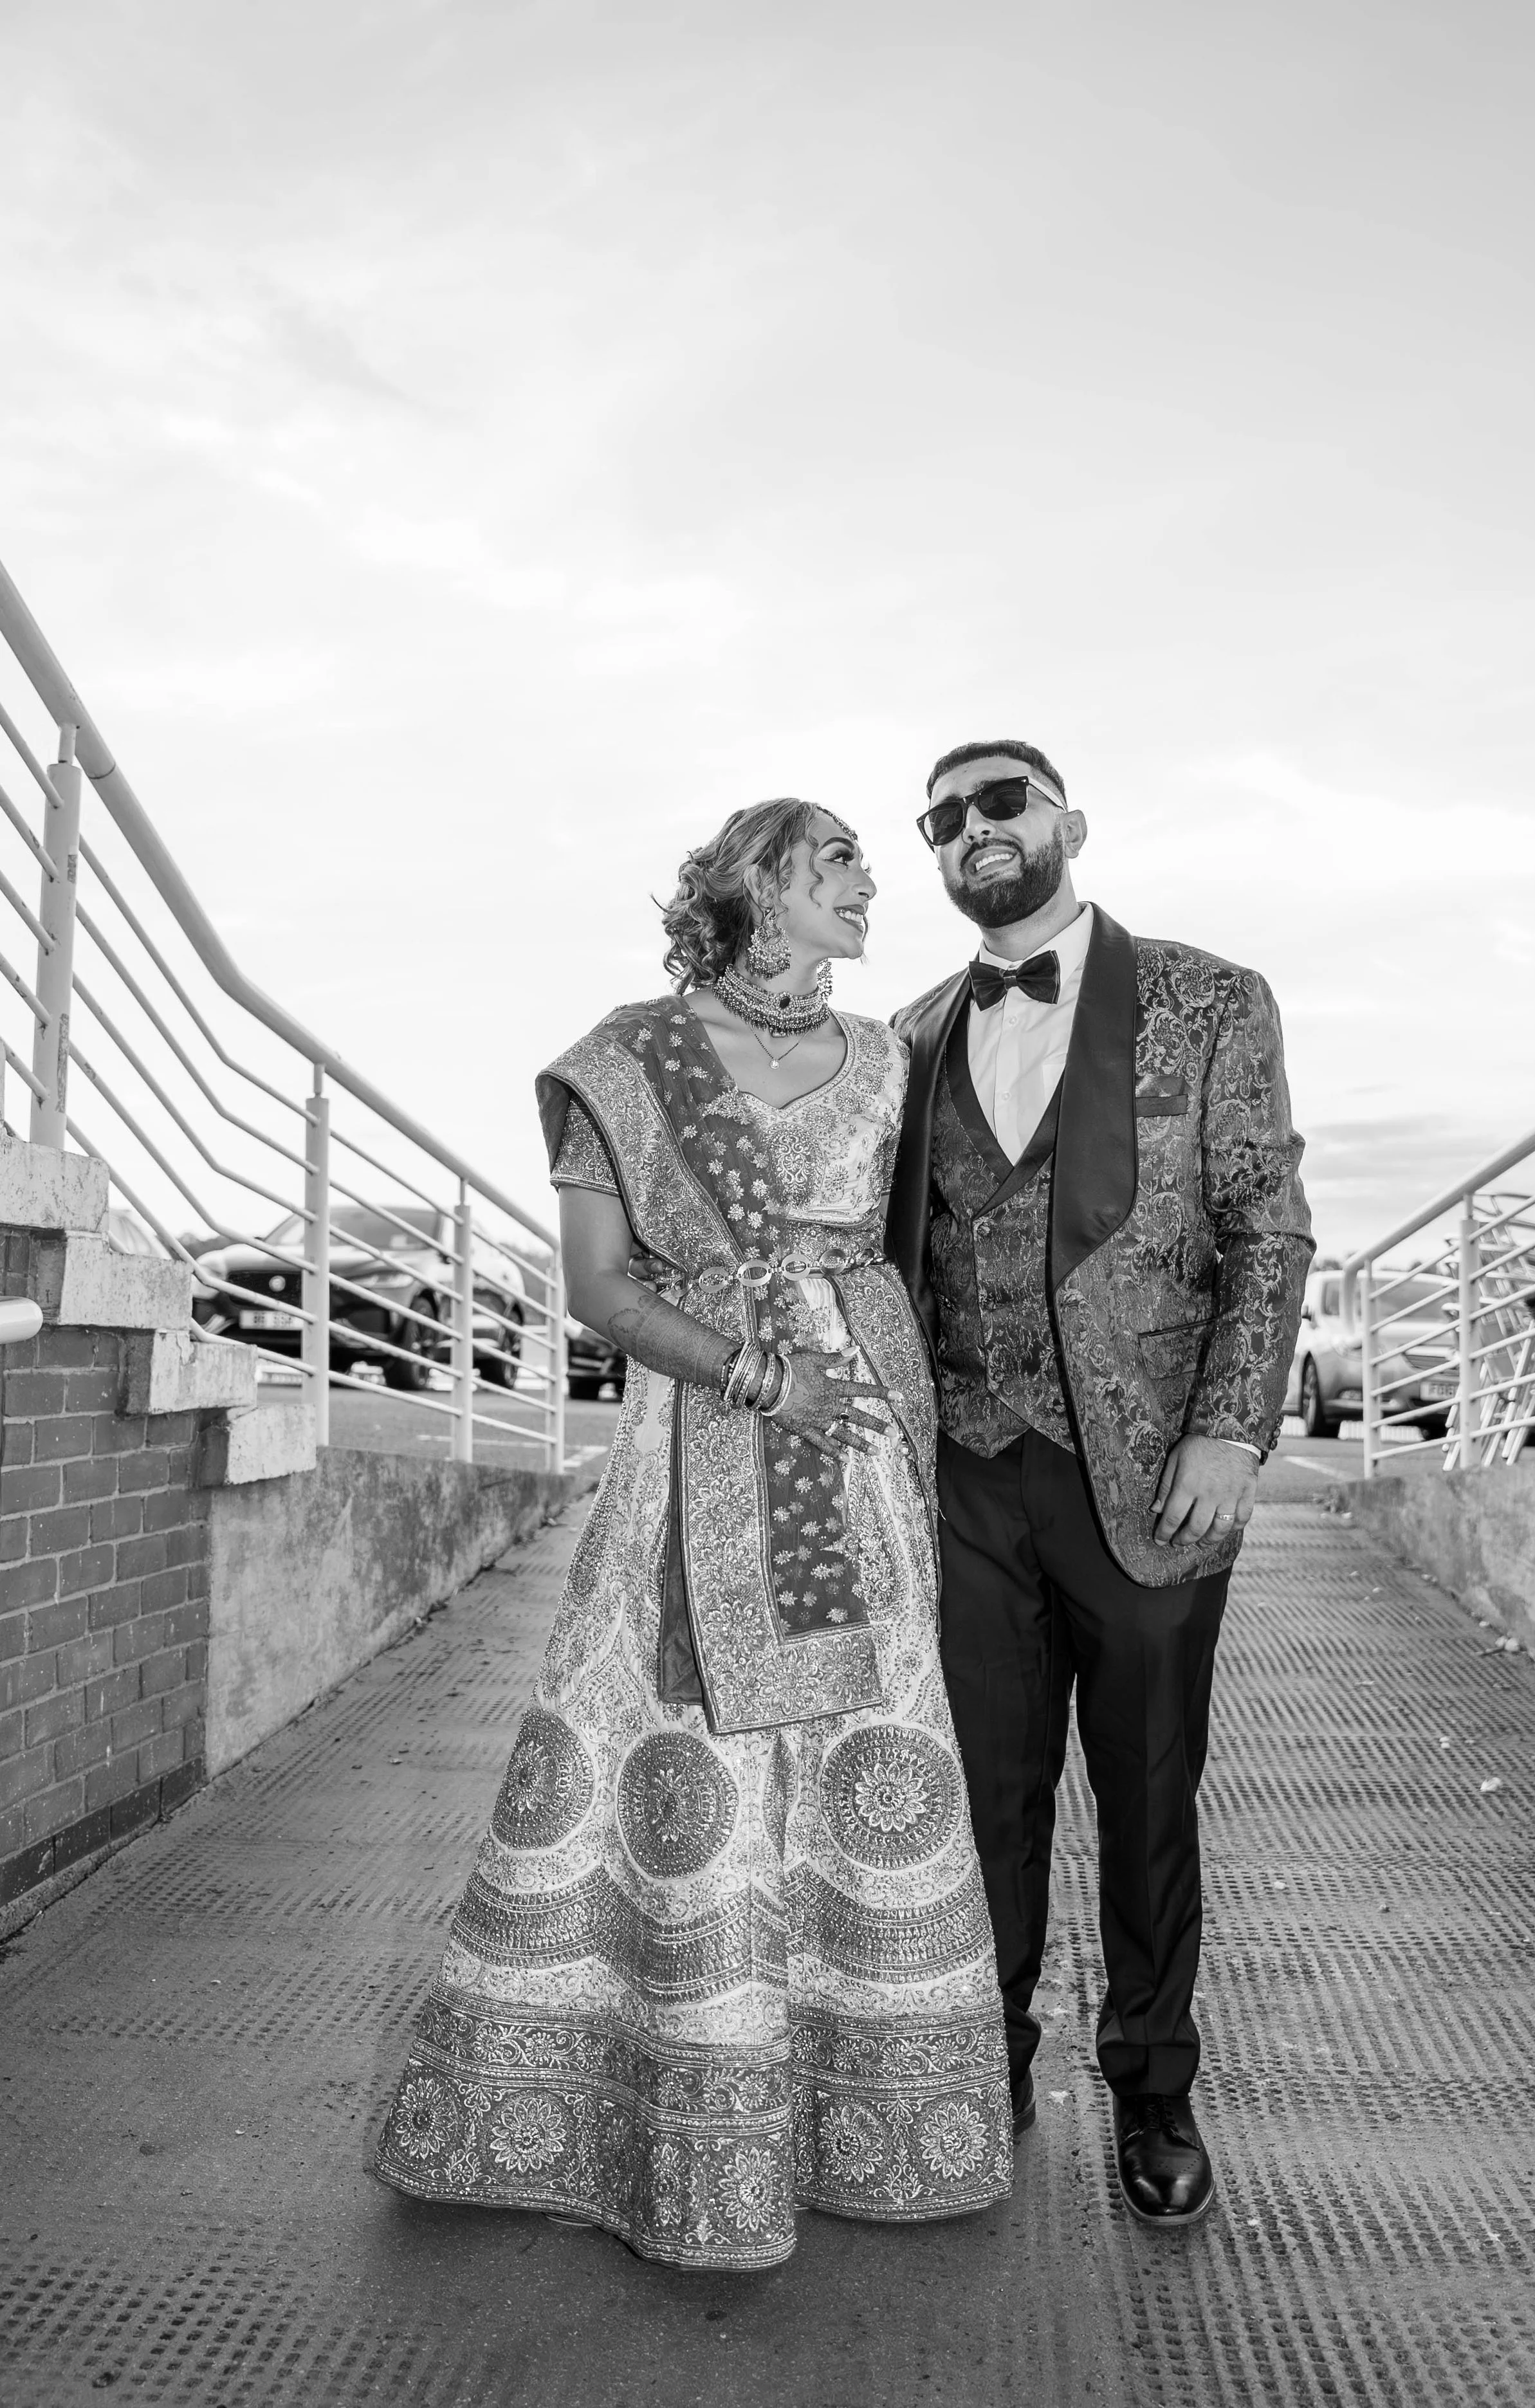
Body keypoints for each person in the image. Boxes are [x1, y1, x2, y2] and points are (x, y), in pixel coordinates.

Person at [376, 798, 1012, 2269]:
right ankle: (662, 2099)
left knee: (870, 1730)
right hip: (701, 1434)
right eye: (840, 858)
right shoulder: (627, 1056)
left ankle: (862, 2099)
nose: (870, 883)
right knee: (688, 1737)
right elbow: (600, 1287)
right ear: (757, 884)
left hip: (860, 1438)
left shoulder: (885, 1056)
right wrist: (756, 1374)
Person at [887, 740, 1312, 2227]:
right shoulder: (909, 1029)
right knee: (984, 1797)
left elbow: (1266, 1227)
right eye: (939, 818)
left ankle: (1150, 2081)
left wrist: (1230, 1428)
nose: (969, 830)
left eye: (997, 800)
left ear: (1067, 817)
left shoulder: (1208, 995)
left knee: (1144, 1793)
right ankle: (984, 2067)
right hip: (961, 1468)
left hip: (1148, 1474)